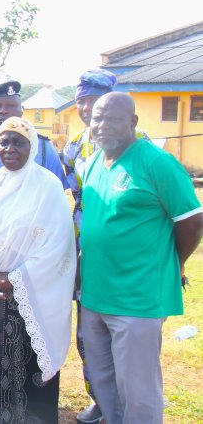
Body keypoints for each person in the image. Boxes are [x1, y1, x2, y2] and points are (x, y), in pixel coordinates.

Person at [80, 92, 203, 424]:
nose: (102, 126)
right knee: (105, 383)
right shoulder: (93, 162)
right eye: (97, 119)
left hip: (138, 298)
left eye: (113, 118)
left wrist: (172, 265)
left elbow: (192, 222)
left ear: (133, 122)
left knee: (138, 390)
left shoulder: (155, 162)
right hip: (94, 295)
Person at [0, 116, 75, 423]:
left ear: (32, 146)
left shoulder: (48, 186)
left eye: (18, 142)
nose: (9, 148)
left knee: (23, 368)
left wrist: (15, 279)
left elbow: (57, 247)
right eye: (3, 141)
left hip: (30, 294)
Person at [60, 69, 148, 424]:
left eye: (93, 101)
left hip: (128, 254)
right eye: (81, 101)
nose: (86, 108)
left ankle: (133, 405)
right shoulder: (74, 147)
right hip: (85, 249)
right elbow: (69, 194)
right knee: (88, 330)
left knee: (127, 334)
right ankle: (99, 398)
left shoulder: (139, 143)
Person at [0, 80, 68, 188]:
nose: (3, 111)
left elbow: (56, 189)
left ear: (22, 110)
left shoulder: (44, 147)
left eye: (11, 105)